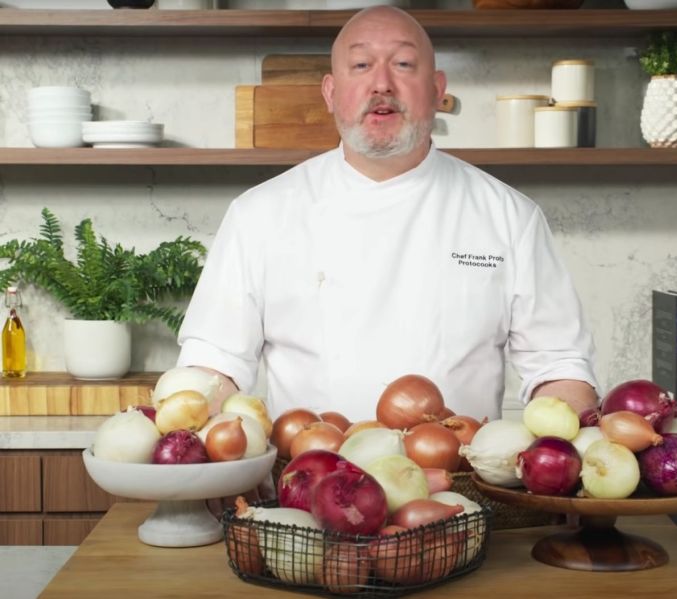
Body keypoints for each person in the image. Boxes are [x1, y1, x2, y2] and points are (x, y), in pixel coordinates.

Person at [176, 6, 599, 425]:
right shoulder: (259, 215)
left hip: (460, 484)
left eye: (403, 64)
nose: (382, 83)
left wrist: (571, 442)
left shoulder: (509, 216)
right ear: (329, 92)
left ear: (436, 89)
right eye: (361, 65)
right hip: (306, 479)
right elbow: (213, 367)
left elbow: (558, 366)